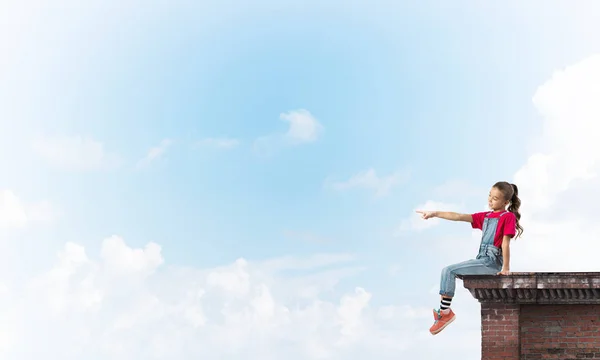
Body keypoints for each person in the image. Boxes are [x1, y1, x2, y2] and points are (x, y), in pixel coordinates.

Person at [416, 181, 523, 336]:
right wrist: (434, 213)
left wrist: (506, 268)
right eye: (489, 196)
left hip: (491, 262)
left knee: (448, 270)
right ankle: (444, 311)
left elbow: (505, 243)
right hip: (481, 259)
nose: (490, 200)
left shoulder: (508, 217)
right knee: (447, 271)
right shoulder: (485, 217)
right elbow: (459, 216)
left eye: (495, 198)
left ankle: (445, 313)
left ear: (506, 202)